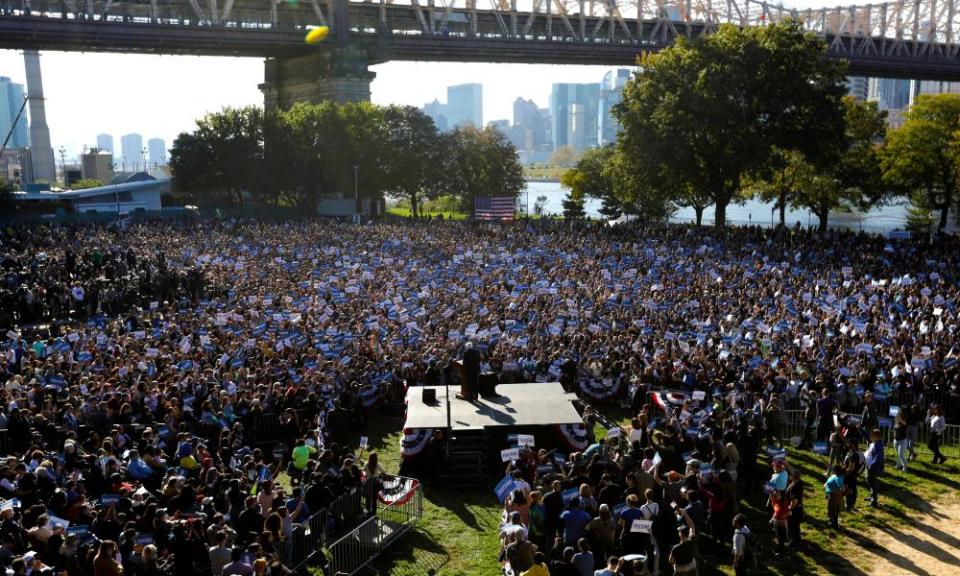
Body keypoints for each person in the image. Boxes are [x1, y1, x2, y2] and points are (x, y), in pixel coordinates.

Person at [864, 428, 885, 508]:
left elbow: (878, 457)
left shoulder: (879, 445)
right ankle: (872, 496)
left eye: (872, 436)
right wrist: (859, 428)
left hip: (873, 467)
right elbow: (866, 436)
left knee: (873, 483)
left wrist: (871, 465)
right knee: (869, 481)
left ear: (876, 437)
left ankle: (874, 501)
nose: (870, 437)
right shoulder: (873, 442)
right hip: (869, 466)